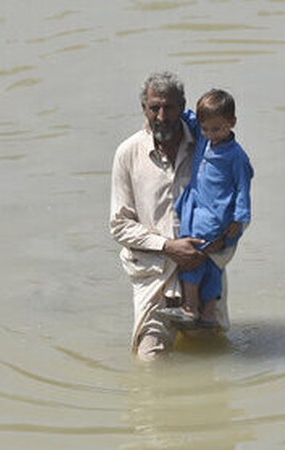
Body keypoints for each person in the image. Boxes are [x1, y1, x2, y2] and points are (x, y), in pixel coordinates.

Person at [110, 72, 236, 361]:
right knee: (150, 360)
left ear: (183, 107)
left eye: (170, 108)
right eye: (155, 108)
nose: (162, 116)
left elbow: (231, 208)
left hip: (203, 268)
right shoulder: (128, 153)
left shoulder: (209, 147)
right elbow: (119, 226)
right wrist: (168, 246)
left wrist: (214, 246)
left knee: (211, 360)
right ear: (144, 108)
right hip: (154, 274)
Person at [161, 89, 253, 328]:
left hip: (215, 215)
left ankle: (190, 307)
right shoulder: (204, 139)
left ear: (232, 123)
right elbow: (191, 118)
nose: (211, 134)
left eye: (217, 129)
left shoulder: (236, 155)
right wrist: (177, 108)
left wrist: (239, 218)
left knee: (193, 256)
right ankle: (209, 313)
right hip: (196, 207)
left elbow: (243, 187)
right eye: (206, 129)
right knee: (212, 263)